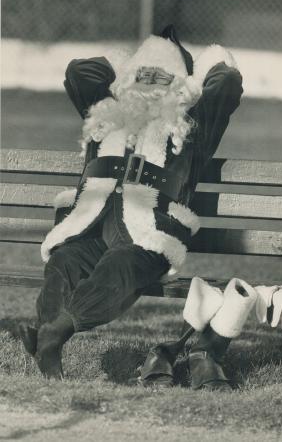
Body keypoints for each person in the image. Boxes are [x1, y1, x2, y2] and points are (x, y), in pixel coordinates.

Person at [19, 25, 244, 380]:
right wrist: (125, 68)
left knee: (120, 269)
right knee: (63, 262)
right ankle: (50, 338)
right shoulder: (107, 111)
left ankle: (57, 330)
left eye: (161, 77)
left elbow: (227, 80)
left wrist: (193, 82)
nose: (150, 84)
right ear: (128, 79)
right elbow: (80, 70)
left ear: (180, 84)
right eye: (144, 74)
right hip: (90, 221)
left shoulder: (190, 122)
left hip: (147, 227)